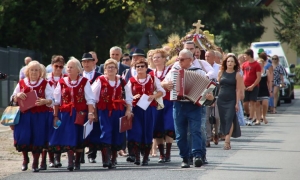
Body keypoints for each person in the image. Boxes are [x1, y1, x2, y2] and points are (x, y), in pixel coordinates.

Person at [163, 49, 214, 168]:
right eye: (178, 59)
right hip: (178, 105)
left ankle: (197, 156)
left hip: (194, 106)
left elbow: (209, 91)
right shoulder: (174, 72)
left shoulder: (200, 72)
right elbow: (162, 83)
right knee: (180, 135)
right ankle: (185, 158)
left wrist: (209, 96)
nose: (179, 61)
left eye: (182, 59)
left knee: (195, 131)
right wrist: (165, 85)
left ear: (190, 60)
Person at [50, 57, 95, 171]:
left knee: (79, 136)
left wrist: (90, 113)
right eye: (68, 67)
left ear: (78, 69)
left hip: (80, 113)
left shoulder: (84, 82)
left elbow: (90, 99)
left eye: (71, 67)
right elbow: (56, 100)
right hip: (66, 114)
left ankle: (77, 161)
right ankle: (70, 162)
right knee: (69, 136)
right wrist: (55, 115)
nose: (69, 69)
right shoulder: (62, 82)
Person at [12, 61, 54, 172]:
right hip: (25, 115)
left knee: (38, 138)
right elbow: (13, 97)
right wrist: (17, 95)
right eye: (32, 70)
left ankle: (35, 162)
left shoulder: (45, 83)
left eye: (36, 70)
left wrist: (45, 101)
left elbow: (53, 100)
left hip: (40, 115)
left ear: (40, 72)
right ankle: (25, 159)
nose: (34, 72)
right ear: (27, 71)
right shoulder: (22, 82)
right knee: (23, 137)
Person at [92, 59, 132, 169]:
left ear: (116, 69)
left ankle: (113, 159)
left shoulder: (122, 81)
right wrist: (94, 112)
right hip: (104, 111)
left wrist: (128, 110)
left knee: (117, 133)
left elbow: (129, 98)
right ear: (104, 70)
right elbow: (93, 98)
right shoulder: (100, 80)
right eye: (108, 67)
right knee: (106, 132)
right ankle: (106, 159)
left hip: (118, 110)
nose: (110, 69)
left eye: (112, 67)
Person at [126, 59, 165, 166]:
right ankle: (137, 156)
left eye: (142, 66)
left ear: (146, 68)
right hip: (136, 109)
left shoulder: (152, 79)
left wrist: (154, 96)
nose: (140, 68)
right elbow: (127, 96)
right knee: (136, 131)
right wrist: (133, 97)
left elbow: (162, 91)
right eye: (137, 66)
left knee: (148, 131)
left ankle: (146, 157)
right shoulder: (131, 81)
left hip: (150, 109)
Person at [39, 55, 65, 170]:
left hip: (61, 109)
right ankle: (46, 159)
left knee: (59, 133)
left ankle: (57, 158)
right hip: (48, 109)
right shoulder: (46, 79)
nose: (59, 68)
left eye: (61, 66)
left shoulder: (66, 78)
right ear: (52, 66)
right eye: (56, 66)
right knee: (46, 134)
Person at [150, 48, 175, 163]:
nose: (156, 59)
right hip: (156, 104)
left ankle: (168, 153)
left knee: (169, 127)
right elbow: (150, 88)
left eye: (158, 57)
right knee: (157, 128)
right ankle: (161, 154)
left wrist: (161, 85)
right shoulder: (150, 74)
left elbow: (172, 85)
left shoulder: (170, 71)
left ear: (164, 59)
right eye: (154, 57)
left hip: (168, 102)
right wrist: (163, 84)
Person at [217, 55, 242, 150]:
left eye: (232, 61)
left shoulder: (237, 75)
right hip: (221, 99)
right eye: (228, 61)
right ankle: (225, 136)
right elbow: (217, 87)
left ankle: (227, 140)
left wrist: (237, 103)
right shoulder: (221, 73)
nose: (230, 63)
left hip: (231, 99)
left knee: (230, 118)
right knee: (223, 119)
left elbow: (238, 90)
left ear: (235, 63)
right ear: (225, 63)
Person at [81, 53, 102, 164]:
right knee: (80, 129)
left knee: (93, 130)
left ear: (94, 62)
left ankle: (92, 154)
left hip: (95, 106)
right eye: (84, 61)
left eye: (89, 61)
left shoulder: (100, 76)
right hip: (81, 106)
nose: (87, 63)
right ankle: (80, 154)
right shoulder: (78, 75)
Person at [205, 50, 221, 147]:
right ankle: (208, 137)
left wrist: (214, 98)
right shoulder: (202, 67)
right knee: (206, 117)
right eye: (206, 56)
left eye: (209, 56)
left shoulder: (219, 68)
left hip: (216, 94)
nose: (207, 58)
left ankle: (216, 133)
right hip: (205, 94)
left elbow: (218, 82)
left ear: (214, 57)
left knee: (217, 117)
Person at [242, 49, 261, 125]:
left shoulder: (256, 65)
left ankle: (251, 118)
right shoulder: (244, 64)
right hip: (245, 86)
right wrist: (243, 85)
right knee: (245, 103)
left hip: (254, 86)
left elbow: (258, 77)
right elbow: (241, 75)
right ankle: (248, 114)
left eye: (245, 55)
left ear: (249, 55)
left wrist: (253, 86)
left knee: (252, 102)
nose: (244, 57)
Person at [255, 58, 272, 124]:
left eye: (260, 63)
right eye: (258, 63)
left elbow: (269, 81)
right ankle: (258, 119)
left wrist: (270, 90)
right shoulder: (255, 71)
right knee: (257, 104)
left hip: (264, 89)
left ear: (263, 64)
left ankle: (264, 116)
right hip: (257, 89)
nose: (259, 64)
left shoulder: (266, 71)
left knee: (265, 104)